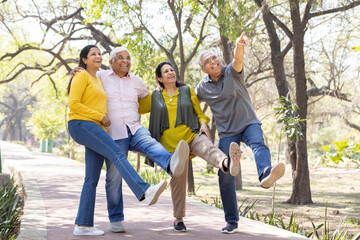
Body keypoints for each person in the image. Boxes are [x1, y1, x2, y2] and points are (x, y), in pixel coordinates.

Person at [67, 45, 189, 236]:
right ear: (111, 62)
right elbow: (80, 89)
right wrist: (75, 71)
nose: (125, 61)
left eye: (128, 57)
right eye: (120, 57)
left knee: (149, 143)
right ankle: (115, 219)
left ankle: (171, 164)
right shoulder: (100, 76)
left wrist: (162, 90)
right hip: (111, 131)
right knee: (113, 177)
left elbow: (148, 101)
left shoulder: (137, 82)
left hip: (133, 127)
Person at [194, 32, 286, 233]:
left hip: (248, 122)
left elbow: (237, 60)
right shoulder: (202, 87)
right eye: (208, 61)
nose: (213, 62)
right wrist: (201, 122)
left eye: (214, 57)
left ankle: (265, 174)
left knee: (258, 144)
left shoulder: (231, 72)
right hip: (227, 133)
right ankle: (232, 221)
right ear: (203, 69)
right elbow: (190, 102)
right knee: (225, 173)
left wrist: (240, 46)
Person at [138, 61, 241, 232]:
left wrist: (203, 124)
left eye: (172, 69)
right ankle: (179, 219)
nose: (171, 72)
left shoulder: (187, 91)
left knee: (208, 148)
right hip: (172, 148)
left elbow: (199, 113)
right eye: (166, 71)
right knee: (178, 180)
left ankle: (227, 163)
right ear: (159, 78)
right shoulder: (154, 97)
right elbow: (134, 105)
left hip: (192, 135)